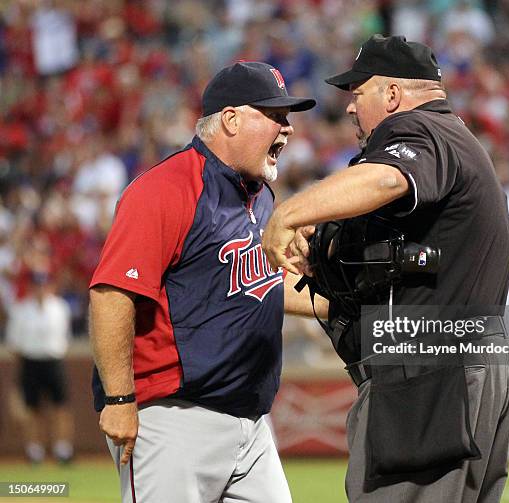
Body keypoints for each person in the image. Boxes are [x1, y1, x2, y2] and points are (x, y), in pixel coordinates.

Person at [263, 35, 509, 503]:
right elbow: (369, 296)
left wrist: (289, 214)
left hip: (433, 370)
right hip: (465, 361)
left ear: (393, 95)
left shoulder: (422, 130)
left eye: (357, 94)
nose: (350, 109)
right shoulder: (453, 139)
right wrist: (261, 291)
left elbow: (386, 175)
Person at [89, 61, 318, 503]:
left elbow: (267, 284)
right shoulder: (166, 188)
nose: (287, 129)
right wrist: (119, 399)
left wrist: (353, 303)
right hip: (173, 416)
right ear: (230, 119)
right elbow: (112, 293)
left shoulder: (260, 197)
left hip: (250, 422)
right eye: (274, 115)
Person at [6, 270, 74, 464]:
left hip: (54, 360)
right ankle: (35, 450)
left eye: (43, 285)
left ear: (49, 286)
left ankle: (63, 449)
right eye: (36, 285)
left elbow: (64, 337)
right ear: (30, 287)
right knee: (32, 408)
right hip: (30, 361)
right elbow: (15, 344)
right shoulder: (21, 310)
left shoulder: (60, 307)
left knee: (60, 406)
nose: (40, 289)